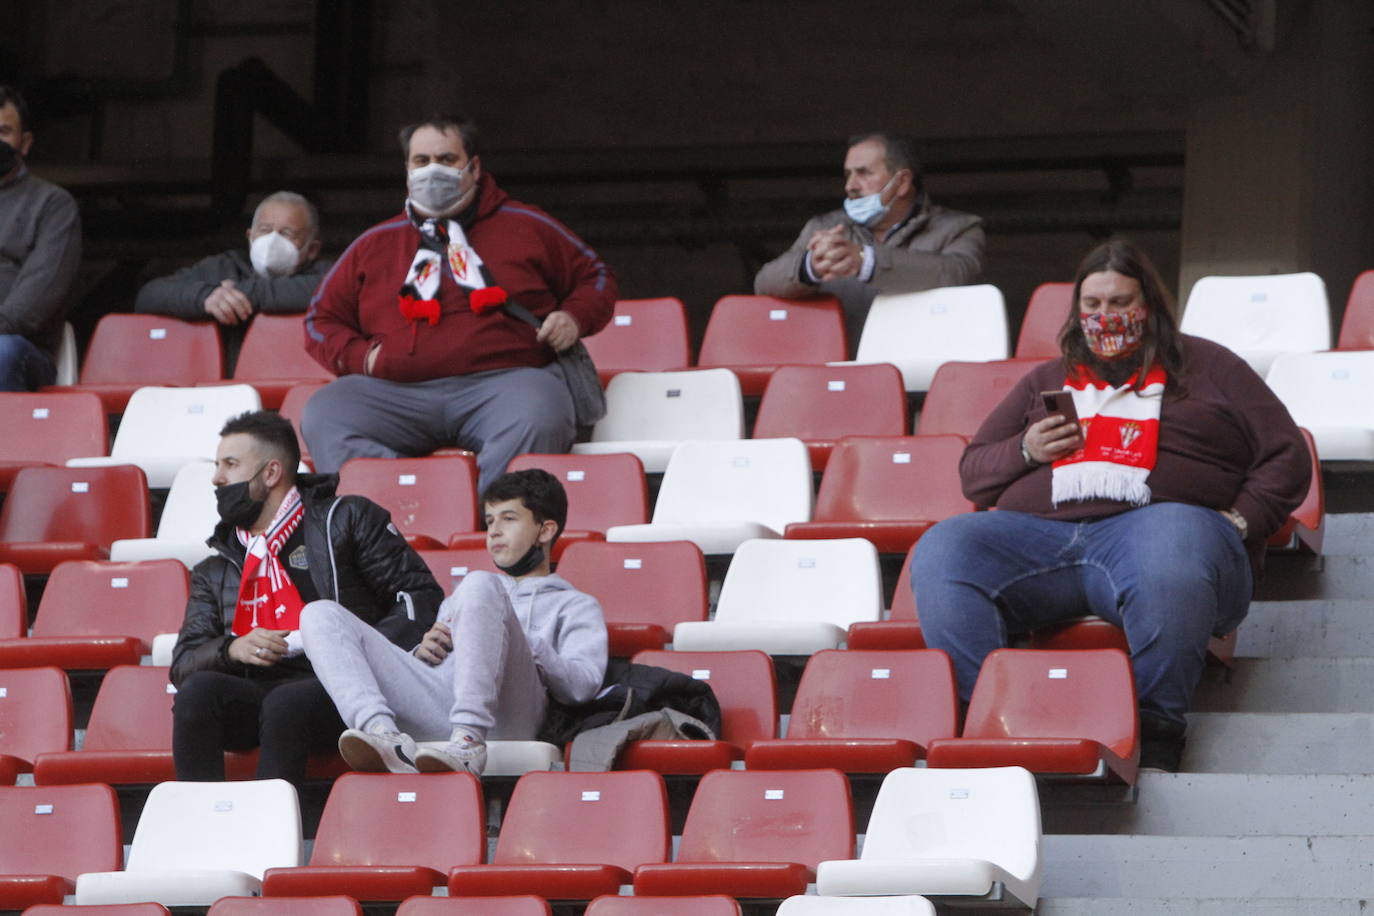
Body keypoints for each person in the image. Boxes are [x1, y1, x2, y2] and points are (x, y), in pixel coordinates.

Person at [910, 238, 1309, 771]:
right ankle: (986, 715)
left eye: (1120, 303)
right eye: (1093, 305)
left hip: (1156, 532)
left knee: (1174, 539)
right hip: (1042, 541)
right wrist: (1027, 449)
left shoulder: (1209, 366)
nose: (1105, 316)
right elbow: (974, 474)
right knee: (945, 545)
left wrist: (1240, 521)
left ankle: (1157, 726)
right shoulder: (1047, 380)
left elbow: (1287, 454)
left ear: (1151, 306)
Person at [301, 114, 617, 492]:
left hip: (505, 384)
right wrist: (360, 358)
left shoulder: (527, 224)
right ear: (407, 169)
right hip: (398, 394)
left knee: (541, 412)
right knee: (326, 412)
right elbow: (320, 320)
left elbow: (596, 277)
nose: (432, 170)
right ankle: (409, 505)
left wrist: (573, 318)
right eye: (421, 161)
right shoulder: (375, 242)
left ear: (474, 167)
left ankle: (494, 528)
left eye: (447, 159)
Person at [170, 410, 442, 784]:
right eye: (217, 465)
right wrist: (233, 649)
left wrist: (361, 652)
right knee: (197, 693)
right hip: (258, 689)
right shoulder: (215, 568)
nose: (217, 478)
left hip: (345, 686)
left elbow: (418, 596)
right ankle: (195, 824)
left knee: (287, 703)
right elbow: (184, 661)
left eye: (230, 464)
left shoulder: (347, 519)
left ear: (271, 473)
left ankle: (272, 830)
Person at [300, 468, 608, 776]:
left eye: (509, 518)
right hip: (444, 705)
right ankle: (382, 734)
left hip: (512, 715)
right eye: (489, 521)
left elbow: (581, 686)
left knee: (479, 584)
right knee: (319, 613)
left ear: (545, 530)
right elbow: (440, 670)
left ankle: (470, 740)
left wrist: (524, 642)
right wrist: (423, 653)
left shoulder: (575, 604)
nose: (494, 530)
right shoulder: (464, 598)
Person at [753, 131, 984, 354]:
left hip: (920, 372)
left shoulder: (957, 228)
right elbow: (765, 282)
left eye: (864, 173)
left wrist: (866, 261)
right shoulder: (824, 227)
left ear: (902, 182)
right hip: (838, 369)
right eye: (848, 174)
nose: (850, 186)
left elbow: (955, 273)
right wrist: (810, 266)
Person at [134, 190, 330, 370]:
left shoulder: (329, 275)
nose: (272, 241)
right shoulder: (222, 267)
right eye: (264, 229)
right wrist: (206, 297)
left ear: (312, 249)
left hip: (293, 384)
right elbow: (148, 295)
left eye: (286, 234)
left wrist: (241, 295)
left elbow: (330, 290)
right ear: (250, 236)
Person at [0, 84, 81, 392]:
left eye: (4, 131)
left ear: (25, 143)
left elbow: (30, 309)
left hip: (19, 352)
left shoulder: (53, 205)